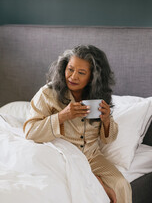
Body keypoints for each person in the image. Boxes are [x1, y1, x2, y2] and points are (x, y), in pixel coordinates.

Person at [23, 45, 132, 203]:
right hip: (61, 156)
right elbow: (30, 131)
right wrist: (62, 116)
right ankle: (95, 180)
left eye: (81, 73)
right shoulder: (47, 94)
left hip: (92, 156)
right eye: (70, 69)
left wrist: (107, 120)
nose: (73, 77)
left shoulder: (99, 96)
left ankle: (94, 177)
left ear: (93, 77)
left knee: (121, 185)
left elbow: (108, 140)